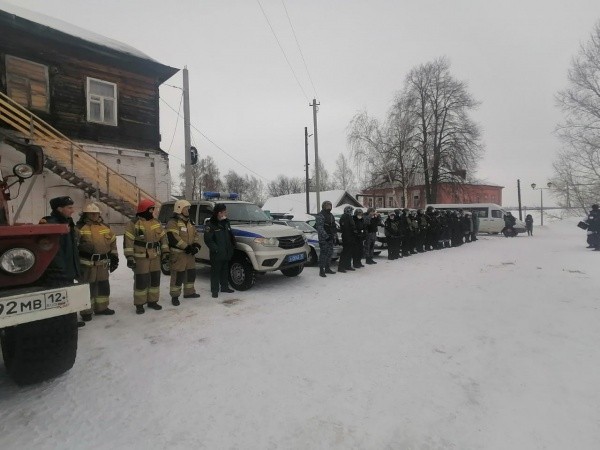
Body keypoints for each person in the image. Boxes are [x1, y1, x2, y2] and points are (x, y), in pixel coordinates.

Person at [40, 196, 85, 327]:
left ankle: (69, 322)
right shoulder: (50, 225)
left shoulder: (67, 223)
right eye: (69, 207)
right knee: (58, 300)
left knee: (68, 298)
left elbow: (71, 249)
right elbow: (52, 252)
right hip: (58, 273)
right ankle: (61, 325)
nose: (73, 210)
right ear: (59, 209)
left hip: (68, 271)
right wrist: (61, 270)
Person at [124, 199, 169, 314]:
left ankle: (153, 301)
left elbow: (163, 238)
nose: (152, 212)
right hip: (141, 257)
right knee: (141, 281)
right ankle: (139, 304)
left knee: (155, 279)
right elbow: (128, 241)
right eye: (151, 209)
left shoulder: (156, 222)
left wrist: (165, 253)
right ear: (144, 210)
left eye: (153, 209)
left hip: (155, 256)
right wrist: (129, 257)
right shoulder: (134, 223)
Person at [76, 203, 118, 322]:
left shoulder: (105, 227)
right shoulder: (79, 228)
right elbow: (74, 247)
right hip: (86, 264)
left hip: (102, 264)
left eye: (96, 213)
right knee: (87, 287)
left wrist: (114, 258)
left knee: (103, 286)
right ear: (86, 214)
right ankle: (86, 311)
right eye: (91, 213)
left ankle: (102, 308)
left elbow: (113, 243)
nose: (94, 215)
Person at [166, 200, 202, 306]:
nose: (188, 210)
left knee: (191, 274)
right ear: (179, 209)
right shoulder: (173, 222)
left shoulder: (190, 222)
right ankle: (175, 296)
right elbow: (173, 238)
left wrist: (196, 246)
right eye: (186, 208)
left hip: (189, 255)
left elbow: (196, 235)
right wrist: (186, 247)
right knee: (178, 276)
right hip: (178, 255)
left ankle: (189, 292)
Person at [204, 203, 236, 297]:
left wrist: (232, 245)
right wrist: (216, 249)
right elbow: (208, 240)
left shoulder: (226, 222)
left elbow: (230, 235)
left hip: (226, 252)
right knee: (215, 272)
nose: (226, 213)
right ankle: (214, 290)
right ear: (219, 213)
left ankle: (224, 287)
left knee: (225, 271)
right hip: (217, 253)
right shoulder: (211, 224)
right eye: (224, 211)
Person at [314, 200, 337, 277]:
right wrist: (326, 237)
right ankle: (321, 270)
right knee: (323, 254)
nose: (329, 207)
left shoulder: (331, 215)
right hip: (324, 238)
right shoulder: (320, 215)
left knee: (329, 253)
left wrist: (335, 236)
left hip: (330, 237)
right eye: (327, 206)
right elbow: (320, 228)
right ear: (323, 206)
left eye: (330, 206)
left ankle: (327, 268)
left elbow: (334, 226)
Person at [338, 206, 356, 273]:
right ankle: (341, 267)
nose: (352, 212)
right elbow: (345, 228)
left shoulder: (349, 217)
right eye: (351, 211)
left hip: (351, 236)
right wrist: (350, 234)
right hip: (346, 236)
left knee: (349, 252)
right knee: (345, 252)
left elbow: (352, 226)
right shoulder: (344, 217)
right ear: (347, 211)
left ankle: (347, 265)